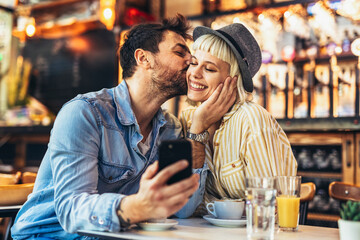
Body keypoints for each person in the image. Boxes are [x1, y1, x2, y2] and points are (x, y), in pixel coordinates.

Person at [11, 15, 236, 239]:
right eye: (180, 53)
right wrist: (137, 206)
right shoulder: (85, 113)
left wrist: (198, 131)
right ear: (143, 58)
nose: (191, 61)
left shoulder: (170, 128)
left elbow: (182, 210)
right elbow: (72, 211)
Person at [180, 23, 298, 213]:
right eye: (193, 63)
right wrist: (197, 130)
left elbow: (269, 207)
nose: (194, 73)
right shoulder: (188, 120)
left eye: (209, 69)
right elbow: (183, 209)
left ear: (233, 80)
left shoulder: (251, 119)